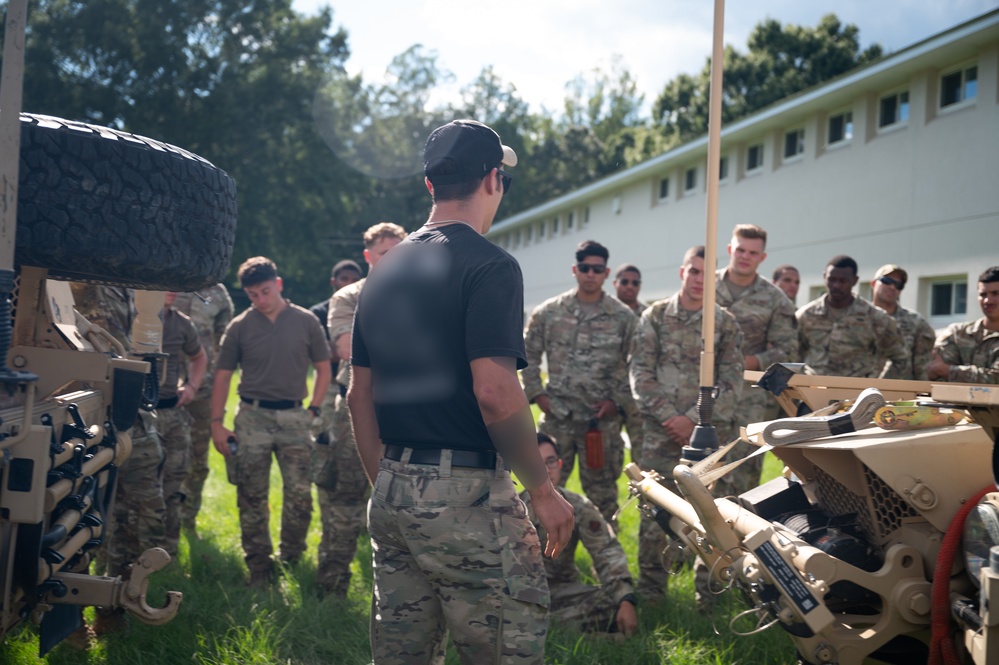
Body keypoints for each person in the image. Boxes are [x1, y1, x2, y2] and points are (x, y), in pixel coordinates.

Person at [348, 119, 573, 665]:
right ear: (493, 179)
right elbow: (494, 390)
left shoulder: (383, 272)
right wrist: (542, 490)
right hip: (466, 496)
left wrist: (390, 483)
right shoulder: (490, 265)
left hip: (392, 486)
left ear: (431, 184)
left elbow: (358, 395)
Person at [629, 245, 744, 604]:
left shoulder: (724, 323)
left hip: (707, 438)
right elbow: (640, 374)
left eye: (706, 274)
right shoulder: (655, 316)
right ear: (682, 272)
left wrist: (693, 421)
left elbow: (732, 381)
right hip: (660, 434)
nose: (698, 280)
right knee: (655, 511)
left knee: (713, 515)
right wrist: (670, 418)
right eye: (693, 271)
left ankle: (710, 597)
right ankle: (651, 595)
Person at [210, 257, 331, 587]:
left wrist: (313, 409)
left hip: (295, 417)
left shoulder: (305, 321)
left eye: (265, 291)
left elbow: (323, 368)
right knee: (251, 495)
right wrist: (217, 422)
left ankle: (291, 558)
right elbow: (222, 376)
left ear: (278, 284)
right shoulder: (240, 326)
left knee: (300, 495)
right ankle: (259, 567)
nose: (260, 300)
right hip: (253, 417)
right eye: (253, 295)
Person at [316, 222, 406, 598]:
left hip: (408, 407)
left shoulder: (423, 293)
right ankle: (333, 584)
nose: (395, 259)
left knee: (407, 495)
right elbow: (345, 347)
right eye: (385, 253)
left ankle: (402, 588)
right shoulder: (350, 296)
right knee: (347, 496)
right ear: (368, 256)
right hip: (358, 406)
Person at [523, 241, 636, 525]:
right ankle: (541, 550)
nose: (590, 274)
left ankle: (606, 551)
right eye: (585, 268)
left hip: (600, 424)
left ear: (606, 273)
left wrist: (617, 401)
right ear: (575, 270)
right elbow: (527, 354)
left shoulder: (623, 317)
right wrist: (537, 394)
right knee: (543, 491)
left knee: (603, 498)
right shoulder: (549, 312)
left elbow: (637, 363)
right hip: (557, 418)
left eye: (597, 269)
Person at [520, 433, 638, 636]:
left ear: (560, 464)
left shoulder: (577, 506)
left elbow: (605, 550)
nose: (546, 470)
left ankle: (544, 629)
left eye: (550, 462)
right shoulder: (511, 508)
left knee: (612, 603)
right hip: (521, 595)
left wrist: (625, 599)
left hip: (563, 591)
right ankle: (553, 629)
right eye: (537, 464)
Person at [714, 225, 798, 496]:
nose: (745, 257)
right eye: (740, 250)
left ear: (762, 257)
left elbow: (788, 351)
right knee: (698, 466)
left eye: (753, 253)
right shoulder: (705, 286)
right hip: (702, 392)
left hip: (747, 401)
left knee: (742, 475)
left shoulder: (775, 299)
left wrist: (751, 361)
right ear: (730, 249)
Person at [175, 283, 235, 536]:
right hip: (163, 386)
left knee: (198, 460)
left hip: (203, 391)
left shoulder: (216, 292)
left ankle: (187, 520)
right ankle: (162, 519)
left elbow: (225, 343)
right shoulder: (163, 281)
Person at [797, 255, 908, 379]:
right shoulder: (806, 315)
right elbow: (793, 354)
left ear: (854, 281)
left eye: (843, 281)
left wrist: (878, 385)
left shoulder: (875, 318)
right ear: (824, 277)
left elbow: (901, 357)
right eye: (832, 279)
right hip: (813, 388)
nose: (836, 285)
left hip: (857, 390)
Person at [156, 291, 207, 555]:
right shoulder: (132, 317)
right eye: (165, 284)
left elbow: (199, 357)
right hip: (138, 414)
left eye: (175, 285)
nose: (172, 290)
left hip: (171, 413)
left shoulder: (181, 323)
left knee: (173, 486)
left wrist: (191, 386)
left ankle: (168, 553)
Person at [929, 266, 999, 384]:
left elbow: (996, 379)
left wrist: (949, 371)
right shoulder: (958, 333)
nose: (988, 300)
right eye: (983, 294)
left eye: (995, 293)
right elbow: (934, 370)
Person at [871, 264, 935, 381]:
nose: (892, 287)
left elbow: (922, 369)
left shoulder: (916, 322)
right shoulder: (858, 317)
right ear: (873, 283)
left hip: (898, 390)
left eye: (899, 285)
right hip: (856, 388)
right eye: (887, 281)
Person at [613, 263, 648, 467]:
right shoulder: (606, 313)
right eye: (625, 281)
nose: (630, 286)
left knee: (642, 458)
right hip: (608, 400)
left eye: (635, 283)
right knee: (607, 459)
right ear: (615, 283)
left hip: (638, 402)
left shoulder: (649, 316)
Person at [309, 259, 362, 334]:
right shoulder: (318, 313)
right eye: (344, 279)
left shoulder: (364, 311)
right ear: (333, 282)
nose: (350, 283)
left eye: (355, 280)